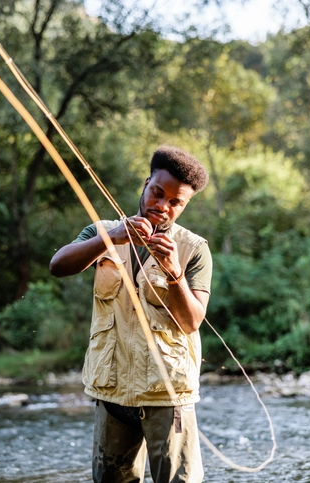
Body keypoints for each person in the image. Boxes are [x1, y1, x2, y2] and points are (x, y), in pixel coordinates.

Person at [49, 145, 212, 483]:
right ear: (145, 184)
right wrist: (112, 237)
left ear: (184, 205)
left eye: (175, 202)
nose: (162, 206)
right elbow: (58, 265)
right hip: (112, 391)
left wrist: (174, 273)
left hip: (167, 394)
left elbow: (191, 321)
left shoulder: (194, 250)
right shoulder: (103, 231)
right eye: (157, 193)